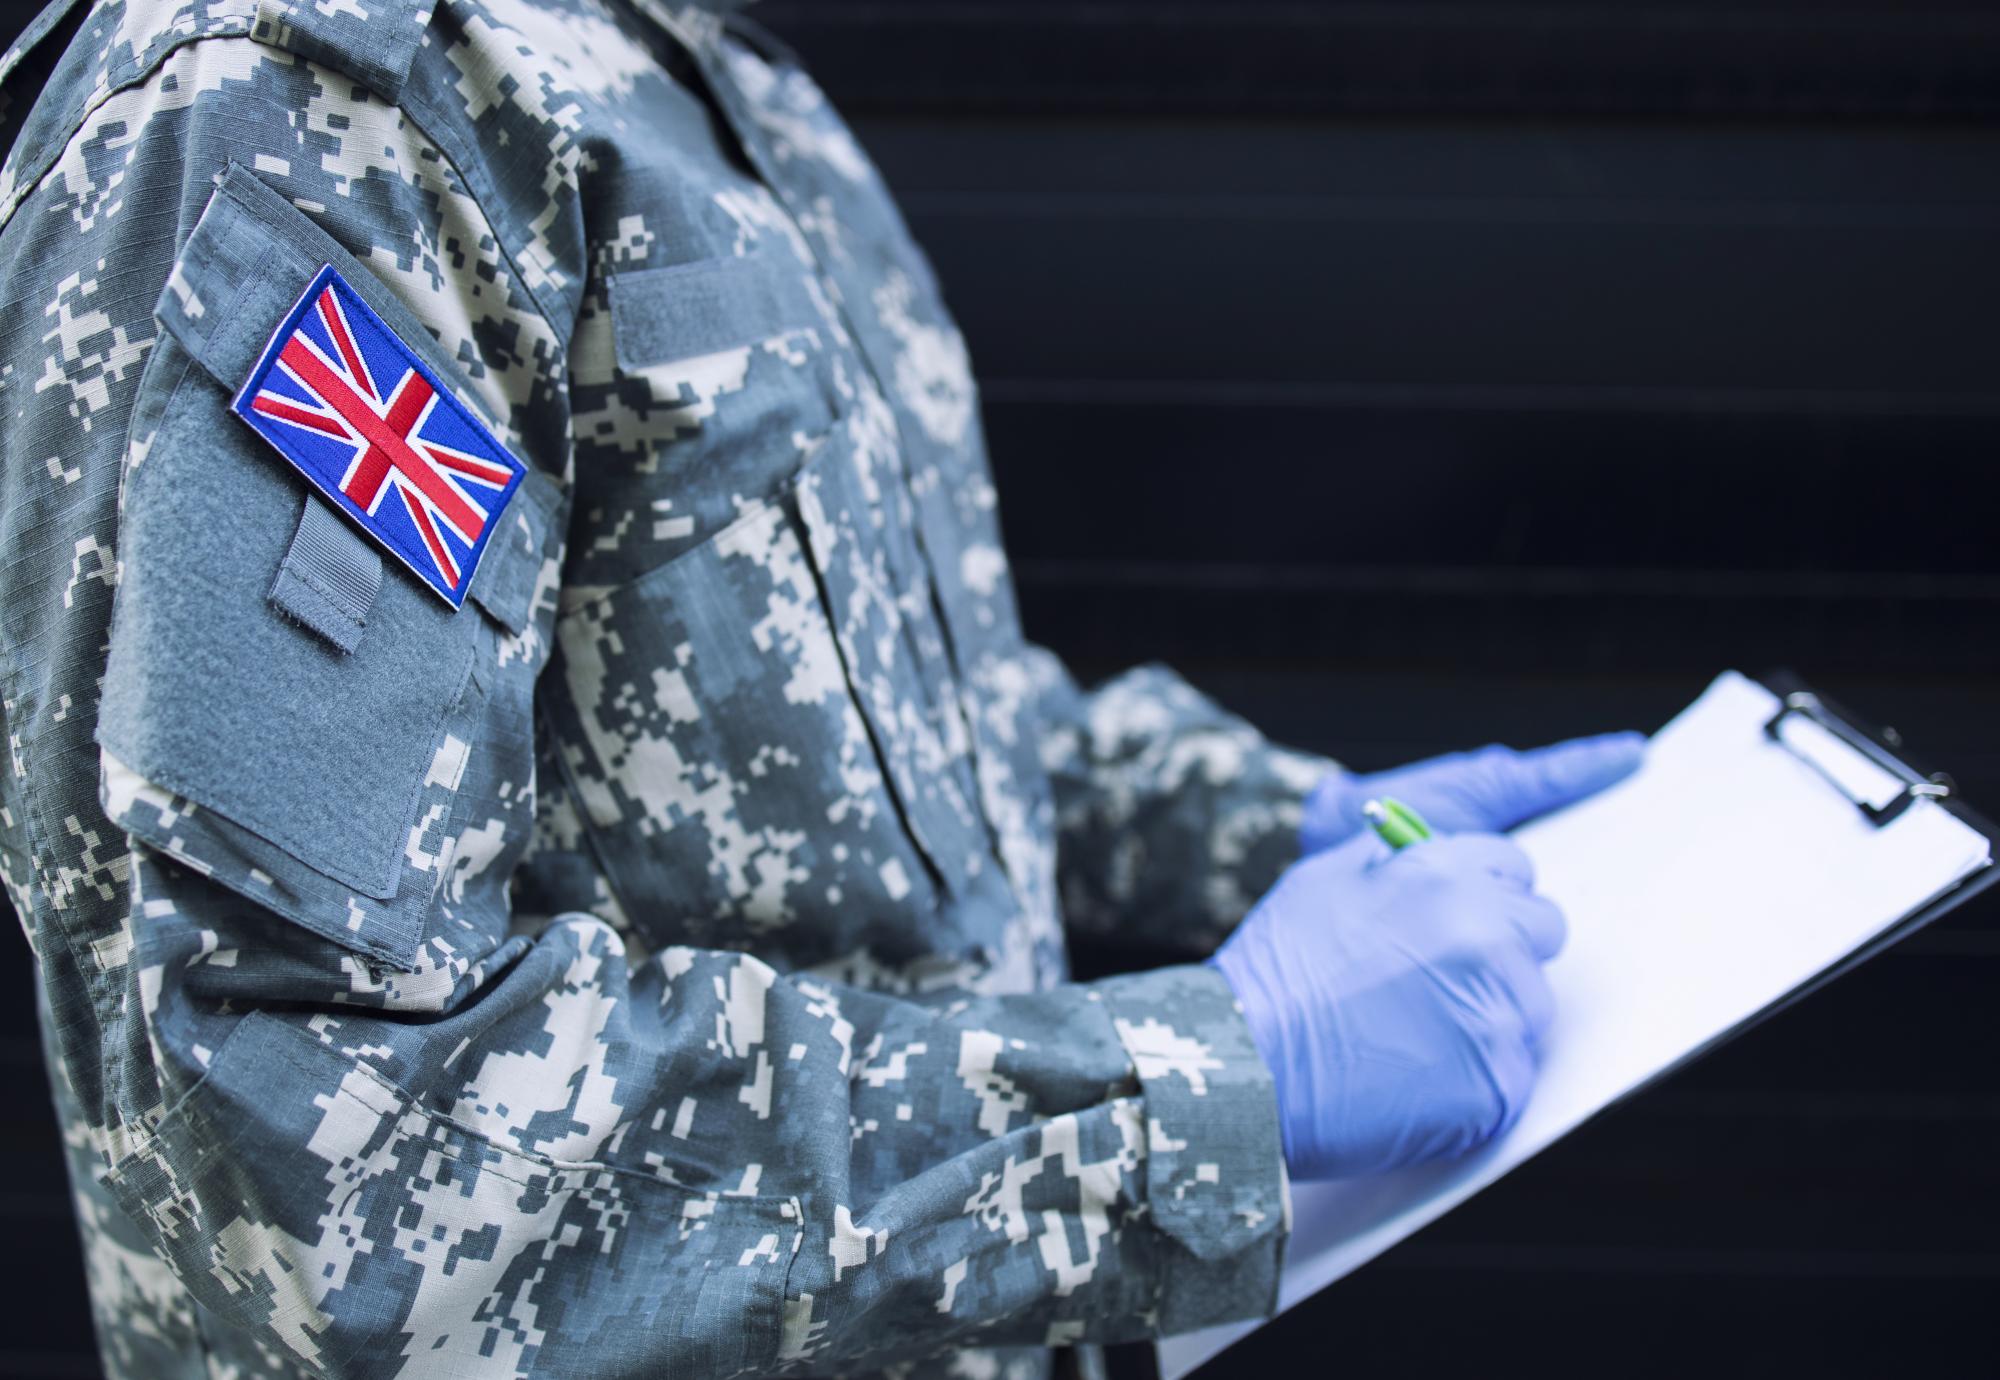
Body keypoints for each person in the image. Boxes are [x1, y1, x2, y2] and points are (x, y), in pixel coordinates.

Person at [0, 1, 1642, 1376]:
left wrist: (1261, 823)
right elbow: (313, 1163)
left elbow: (812, 697)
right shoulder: (298, 104)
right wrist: (1208, 1077)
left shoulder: (684, 64)